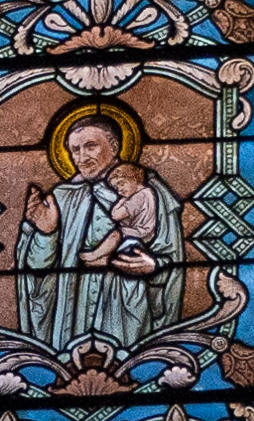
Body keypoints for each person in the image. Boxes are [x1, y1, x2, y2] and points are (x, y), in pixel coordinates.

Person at [15, 115, 183, 352]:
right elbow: (37, 271)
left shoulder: (148, 192)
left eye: (90, 146)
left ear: (114, 146)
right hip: (71, 310)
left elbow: (173, 258)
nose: (81, 157)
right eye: (75, 150)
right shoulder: (62, 197)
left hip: (125, 303)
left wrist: (154, 266)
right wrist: (46, 233)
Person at [78, 162, 158, 271]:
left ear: (134, 179)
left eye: (122, 183)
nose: (119, 190)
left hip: (141, 232)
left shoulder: (140, 196)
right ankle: (105, 260)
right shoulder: (148, 192)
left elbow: (116, 215)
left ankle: (94, 254)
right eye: (116, 187)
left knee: (117, 234)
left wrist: (122, 200)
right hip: (144, 232)